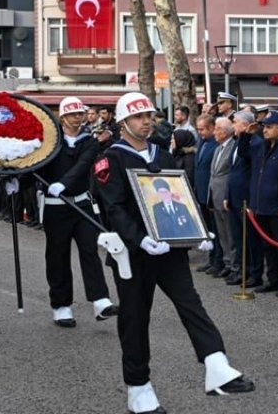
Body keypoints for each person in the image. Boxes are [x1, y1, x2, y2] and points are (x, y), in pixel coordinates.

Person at [94, 92, 254, 414]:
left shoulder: (162, 154)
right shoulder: (111, 158)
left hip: (169, 248)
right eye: (139, 117)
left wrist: (196, 232)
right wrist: (139, 239)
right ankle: (138, 388)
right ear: (124, 123)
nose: (146, 122)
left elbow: (181, 195)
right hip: (134, 252)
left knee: (190, 303)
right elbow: (113, 209)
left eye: (149, 116)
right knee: (135, 317)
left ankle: (216, 364)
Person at [37, 96, 118, 327]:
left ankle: (100, 299)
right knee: (57, 256)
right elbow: (36, 164)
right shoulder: (50, 141)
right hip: (55, 208)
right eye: (73, 114)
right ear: (62, 117)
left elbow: (84, 164)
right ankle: (61, 306)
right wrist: (18, 181)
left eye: (80, 114)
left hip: (81, 203)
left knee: (89, 250)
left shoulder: (89, 141)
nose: (78, 118)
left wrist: (63, 183)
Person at [243, 111, 278, 295]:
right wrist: (246, 134)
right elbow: (244, 155)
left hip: (277, 206)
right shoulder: (261, 147)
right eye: (264, 127)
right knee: (267, 246)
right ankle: (273, 279)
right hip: (261, 204)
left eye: (269, 127)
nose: (265, 130)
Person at [224, 111, 263, 288]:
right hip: (234, 196)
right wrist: (227, 195)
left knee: (251, 238)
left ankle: (255, 273)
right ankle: (242, 270)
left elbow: (252, 169)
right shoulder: (237, 142)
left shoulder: (255, 143)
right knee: (238, 237)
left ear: (246, 125)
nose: (233, 126)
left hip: (247, 198)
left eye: (236, 123)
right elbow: (231, 172)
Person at [192, 115, 223, 275]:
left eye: (202, 129)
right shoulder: (202, 143)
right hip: (201, 193)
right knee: (208, 229)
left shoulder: (216, 144)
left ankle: (219, 260)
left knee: (217, 230)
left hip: (211, 194)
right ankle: (211, 259)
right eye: (198, 129)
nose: (200, 132)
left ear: (212, 127)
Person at [207, 118, 236, 280]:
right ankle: (226, 262)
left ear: (225, 132)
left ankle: (234, 264)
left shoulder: (232, 147)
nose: (214, 132)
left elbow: (230, 174)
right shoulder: (218, 149)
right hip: (215, 195)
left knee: (230, 232)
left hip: (225, 196)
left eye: (217, 129)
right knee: (221, 233)